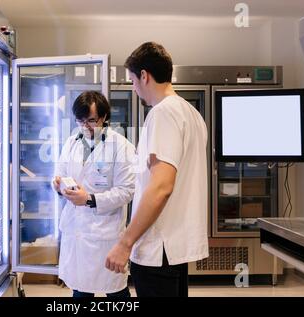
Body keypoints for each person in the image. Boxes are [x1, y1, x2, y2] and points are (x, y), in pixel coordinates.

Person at [105, 42, 209, 297]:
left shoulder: (163, 113)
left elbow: (161, 187)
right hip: (173, 249)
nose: (134, 87)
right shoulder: (191, 113)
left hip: (158, 250)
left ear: (144, 75)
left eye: (132, 80)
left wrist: (125, 242)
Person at [53, 91, 136, 298]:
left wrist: (89, 199)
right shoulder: (72, 142)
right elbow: (60, 173)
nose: (86, 126)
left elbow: (126, 191)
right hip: (76, 230)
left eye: (91, 120)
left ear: (105, 117)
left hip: (104, 234)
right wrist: (58, 185)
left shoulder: (121, 147)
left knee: (115, 291)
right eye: (81, 121)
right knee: (80, 290)